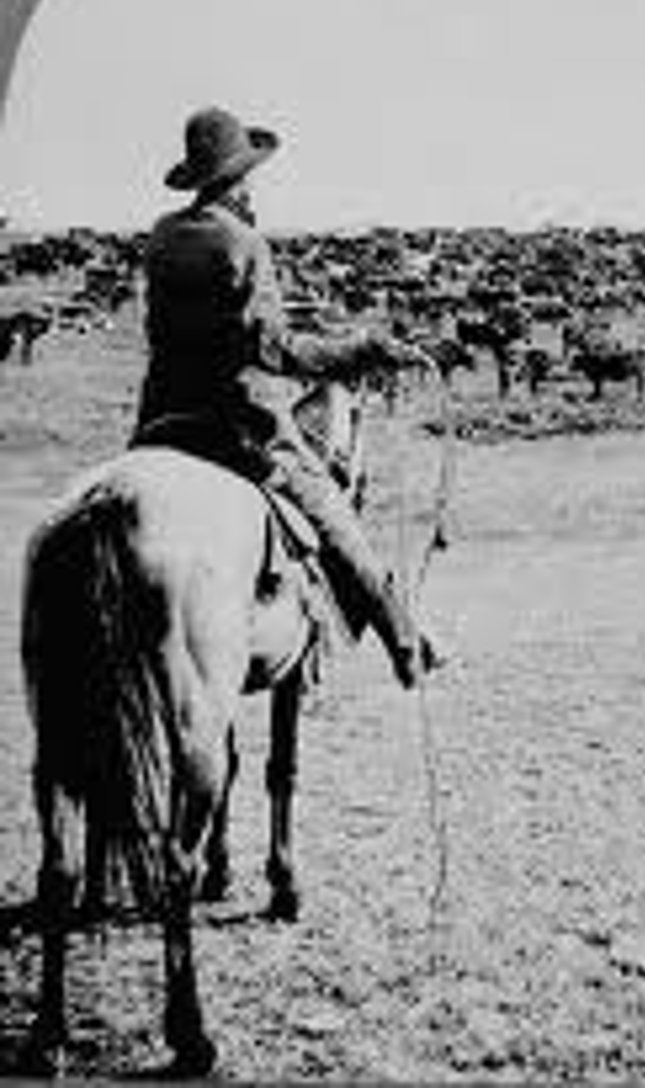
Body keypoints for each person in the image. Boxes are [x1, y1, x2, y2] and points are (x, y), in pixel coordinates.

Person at [132, 105, 438, 688]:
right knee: (334, 517)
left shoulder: (163, 237)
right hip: (238, 425)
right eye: (249, 179)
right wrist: (363, 349)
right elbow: (276, 350)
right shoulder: (245, 243)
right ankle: (404, 641)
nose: (253, 192)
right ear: (237, 182)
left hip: (162, 420)